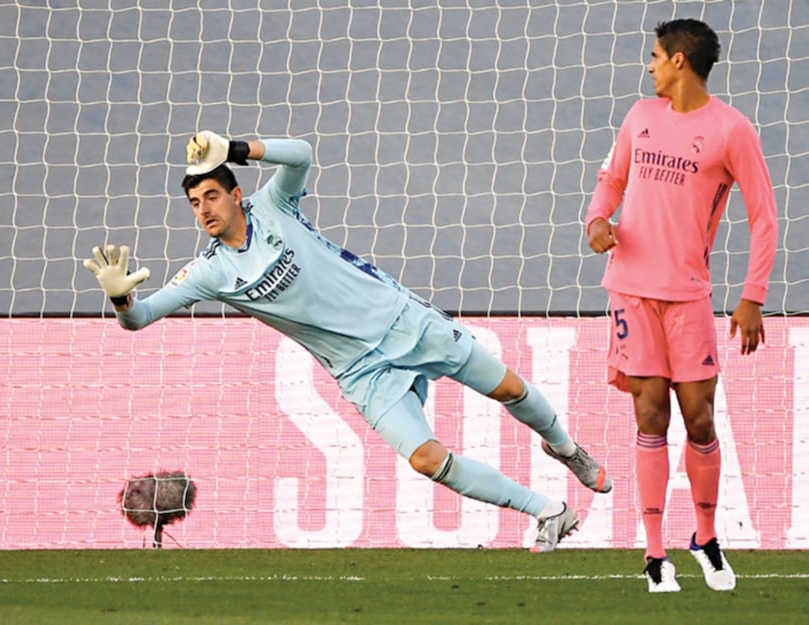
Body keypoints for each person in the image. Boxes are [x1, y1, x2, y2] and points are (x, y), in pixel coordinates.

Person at [85, 129, 612, 553]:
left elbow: (301, 156)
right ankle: (548, 511)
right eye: (195, 202)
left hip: (402, 320)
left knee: (510, 390)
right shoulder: (208, 273)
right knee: (426, 461)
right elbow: (141, 318)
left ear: (236, 193)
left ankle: (567, 449)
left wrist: (236, 149)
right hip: (360, 371)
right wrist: (121, 300)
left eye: (212, 195)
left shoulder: (274, 206)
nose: (203, 209)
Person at [584, 18, 778, 592]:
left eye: (655, 56)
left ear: (678, 62)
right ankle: (652, 552)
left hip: (689, 296)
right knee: (649, 413)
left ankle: (705, 536)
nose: (648, 65)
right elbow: (609, 180)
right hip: (631, 290)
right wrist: (597, 219)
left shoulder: (732, 130)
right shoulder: (640, 117)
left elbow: (763, 216)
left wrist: (753, 297)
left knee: (698, 417)